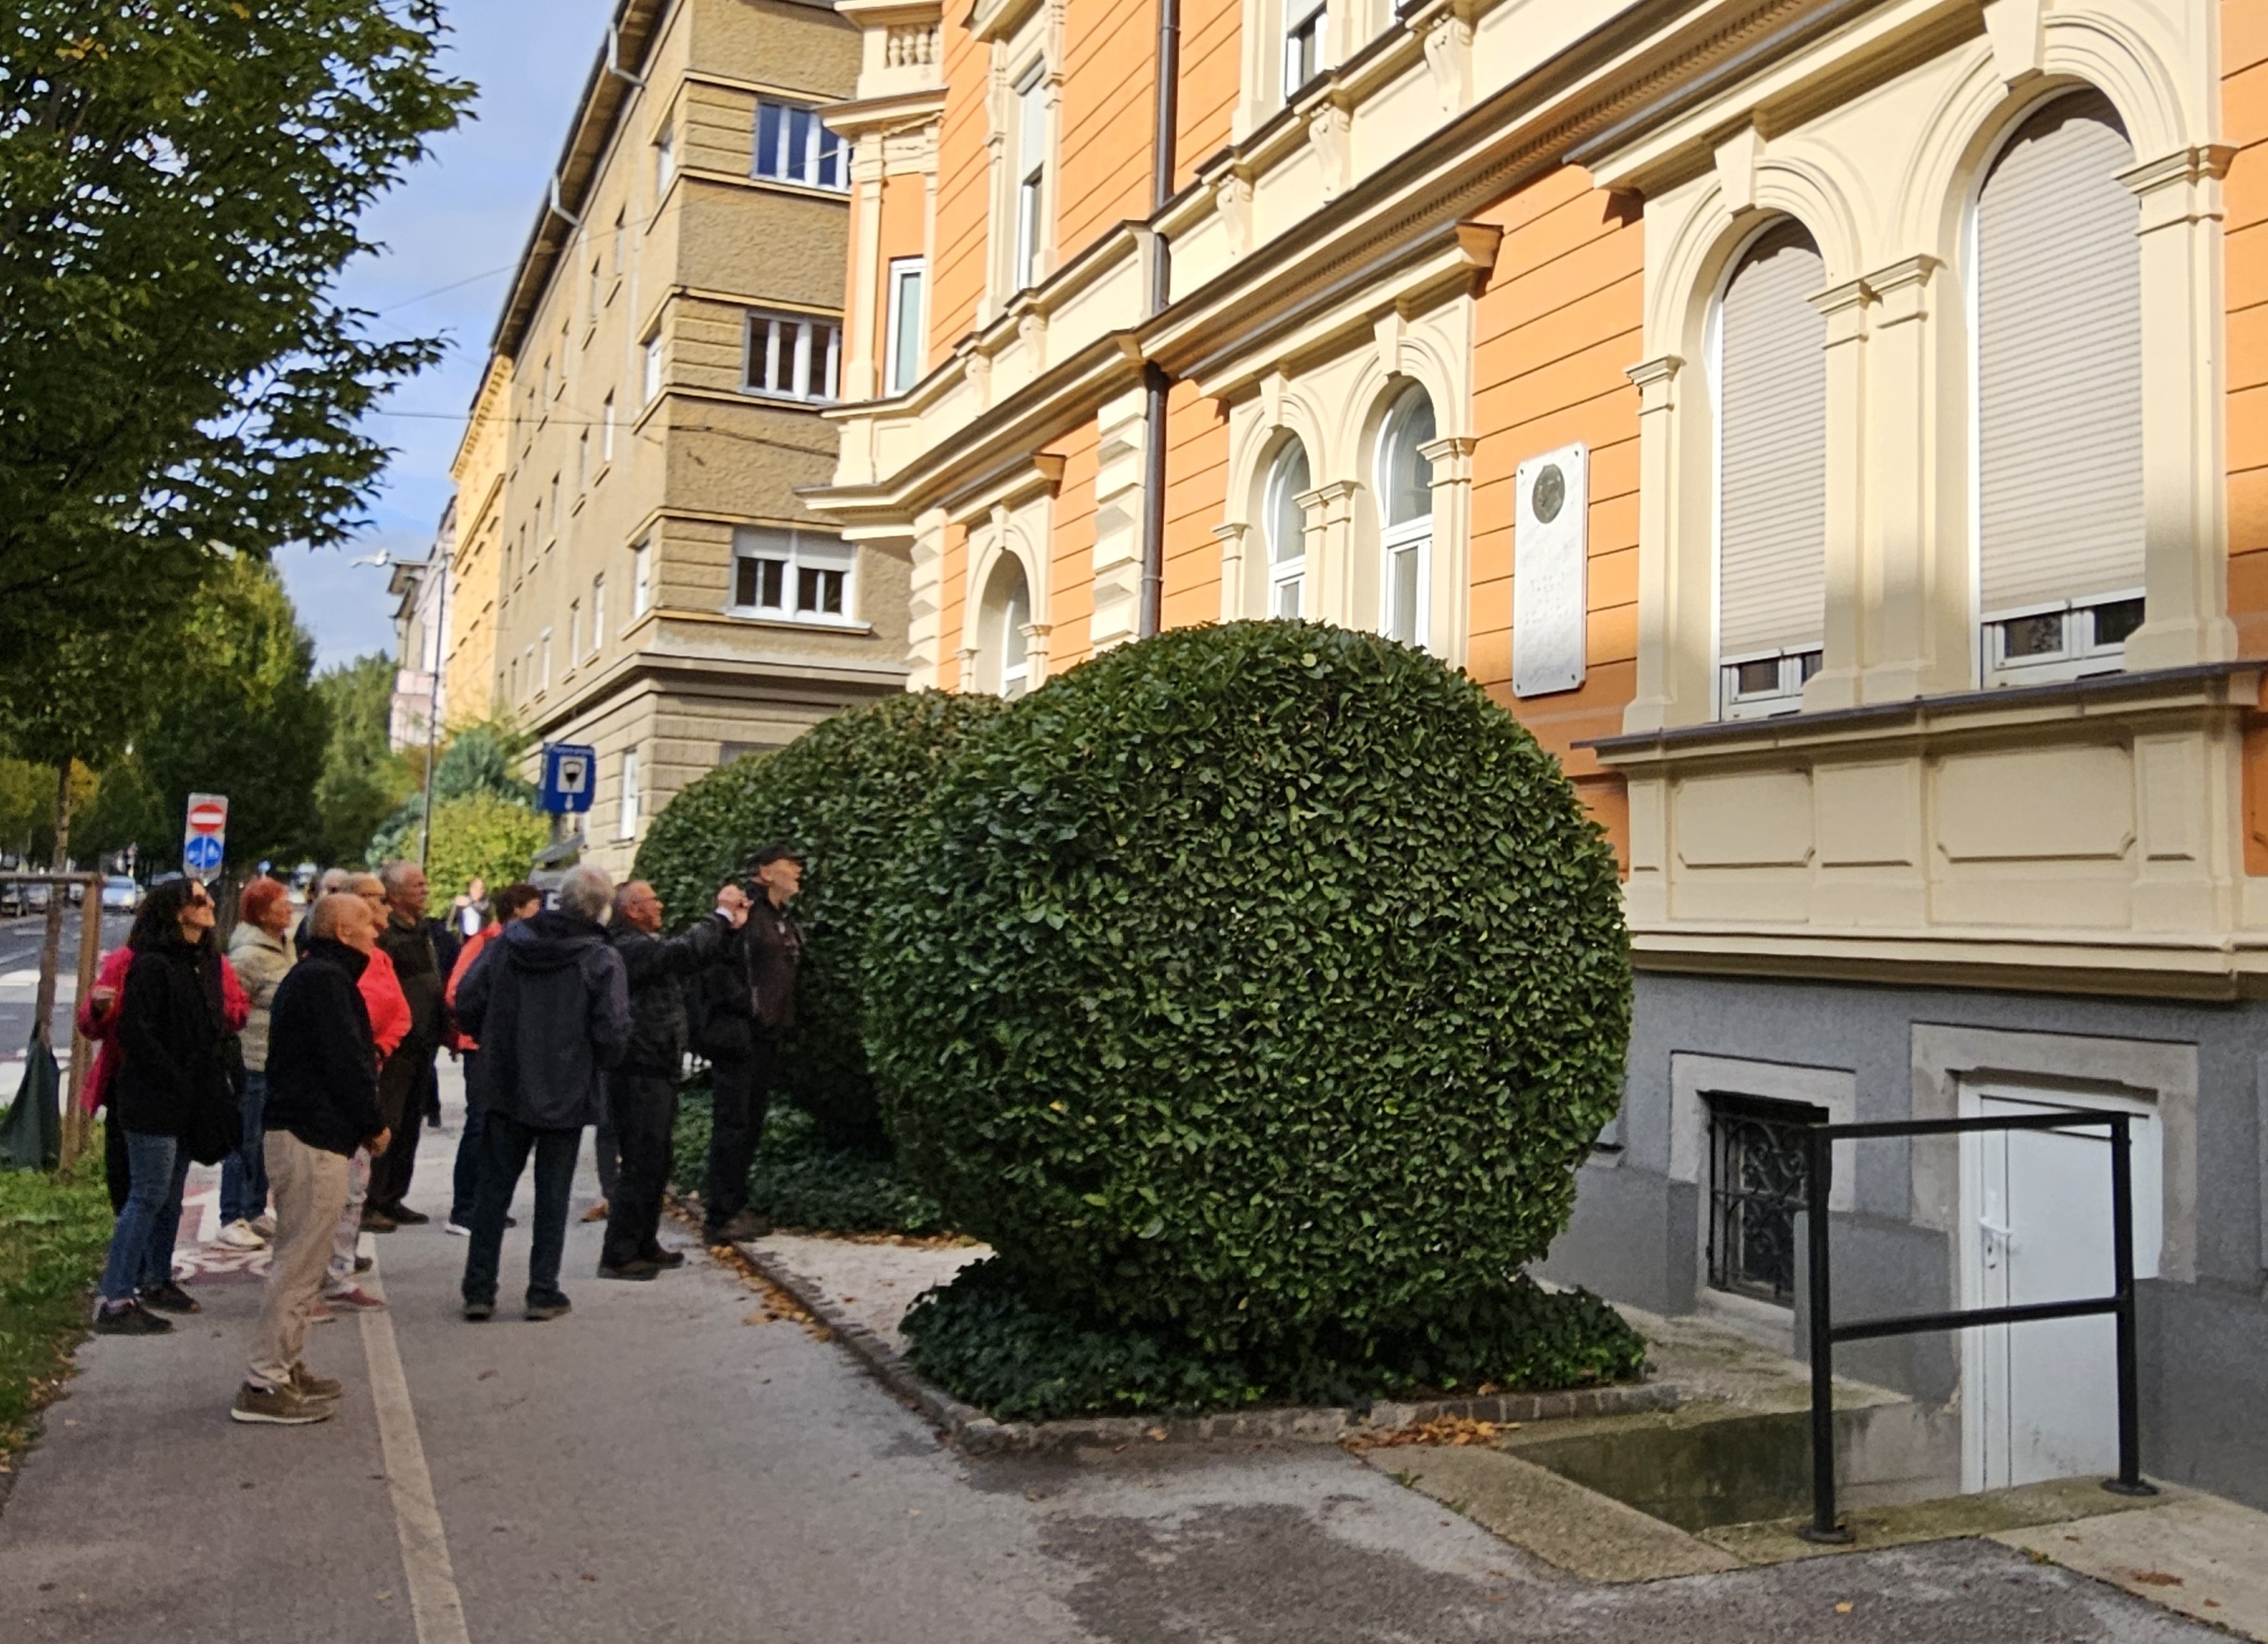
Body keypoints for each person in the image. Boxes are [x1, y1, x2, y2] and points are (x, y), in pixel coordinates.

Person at [234, 892, 391, 1425]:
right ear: (342, 932)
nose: (379, 928)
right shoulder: (325, 980)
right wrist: (373, 1122)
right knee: (300, 1261)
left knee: (304, 1256)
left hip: (310, 1131)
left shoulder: (317, 974)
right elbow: (344, 1059)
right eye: (369, 921)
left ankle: (286, 1362)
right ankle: (265, 1379)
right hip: (310, 1134)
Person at [454, 863, 630, 1321]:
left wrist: (491, 1040)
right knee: (553, 1194)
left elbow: (468, 997)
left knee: (493, 1191)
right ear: (601, 909)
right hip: (567, 1087)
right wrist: (599, 1064)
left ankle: (479, 1289)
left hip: (506, 1078)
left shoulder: (510, 943)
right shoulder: (599, 957)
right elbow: (612, 1029)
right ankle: (542, 1290)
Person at [91, 879, 232, 1334]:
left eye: (207, 898)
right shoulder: (151, 965)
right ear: (175, 913)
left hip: (187, 1099)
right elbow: (138, 1033)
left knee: (170, 1194)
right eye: (197, 900)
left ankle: (156, 1278)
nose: (208, 904)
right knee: (147, 1193)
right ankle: (116, 1297)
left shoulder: (202, 963)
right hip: (152, 1098)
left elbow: (214, 1026)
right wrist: (175, 1078)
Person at [598, 878, 746, 1279]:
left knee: (656, 1160)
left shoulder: (639, 945)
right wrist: (719, 915)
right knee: (641, 1161)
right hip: (639, 1067)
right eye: (652, 900)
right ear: (632, 909)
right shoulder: (628, 947)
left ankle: (643, 1241)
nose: (660, 905)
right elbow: (682, 953)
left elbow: (693, 958)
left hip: (655, 1065)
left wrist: (728, 929)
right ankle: (620, 1251)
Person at [77, 909, 249, 1215]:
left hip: (188, 1084)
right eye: (197, 903)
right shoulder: (127, 962)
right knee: (129, 1184)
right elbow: (92, 1025)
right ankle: (135, 1261)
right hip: (130, 1084)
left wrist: (210, 1011)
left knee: (167, 1188)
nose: (208, 909)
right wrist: (99, 1009)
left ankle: (155, 1260)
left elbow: (238, 1014)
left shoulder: (212, 965)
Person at [696, 844, 804, 1246]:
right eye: (788, 865)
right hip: (742, 1035)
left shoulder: (778, 917)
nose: (796, 870)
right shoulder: (746, 912)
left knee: (749, 1123)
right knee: (734, 1123)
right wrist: (748, 1010)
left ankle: (734, 1205)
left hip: (765, 1035)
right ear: (764, 872)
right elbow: (720, 966)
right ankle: (720, 1214)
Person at [319, 873, 409, 1313]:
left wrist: (381, 1047)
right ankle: (311, 1283)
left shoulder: (379, 957)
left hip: (370, 1068)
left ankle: (337, 1269)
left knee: (356, 1185)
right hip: (336, 1089)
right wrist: (364, 1047)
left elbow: (401, 1013)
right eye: (377, 902)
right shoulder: (332, 972)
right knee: (325, 1194)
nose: (385, 912)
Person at [443, 881, 541, 1237]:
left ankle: (485, 1204)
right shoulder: (486, 941)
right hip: (481, 1046)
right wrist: (484, 1028)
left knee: (496, 1126)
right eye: (534, 905)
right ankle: (464, 1208)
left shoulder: (519, 944)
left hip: (501, 1046)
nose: (540, 912)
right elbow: (456, 991)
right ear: (516, 909)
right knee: (479, 1123)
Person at [217, 876, 296, 1251]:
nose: (290, 909)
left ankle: (254, 1208)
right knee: (244, 1140)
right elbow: (229, 1006)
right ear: (263, 913)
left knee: (264, 1142)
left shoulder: (284, 947)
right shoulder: (248, 956)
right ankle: (231, 1215)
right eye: (282, 904)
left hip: (276, 1059)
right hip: (252, 1060)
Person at [365, 861, 444, 1227]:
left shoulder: (423, 930)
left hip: (424, 1041)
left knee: (411, 1122)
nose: (425, 891)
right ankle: (373, 1199)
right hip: (397, 1044)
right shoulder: (387, 934)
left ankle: (394, 1195)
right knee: (389, 1120)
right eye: (418, 885)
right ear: (395, 894)